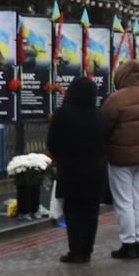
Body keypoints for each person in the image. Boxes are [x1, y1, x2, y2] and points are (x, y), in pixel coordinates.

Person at [45, 75, 110, 262]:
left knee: (72, 211)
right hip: (95, 171)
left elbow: (52, 142)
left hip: (71, 170)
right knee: (91, 212)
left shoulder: (62, 114)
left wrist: (62, 157)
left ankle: (75, 251)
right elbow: (106, 140)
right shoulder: (99, 115)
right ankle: (87, 251)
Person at [101, 59, 139, 259]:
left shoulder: (117, 99)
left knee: (124, 201)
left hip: (121, 157)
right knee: (138, 200)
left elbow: (105, 126)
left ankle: (128, 243)